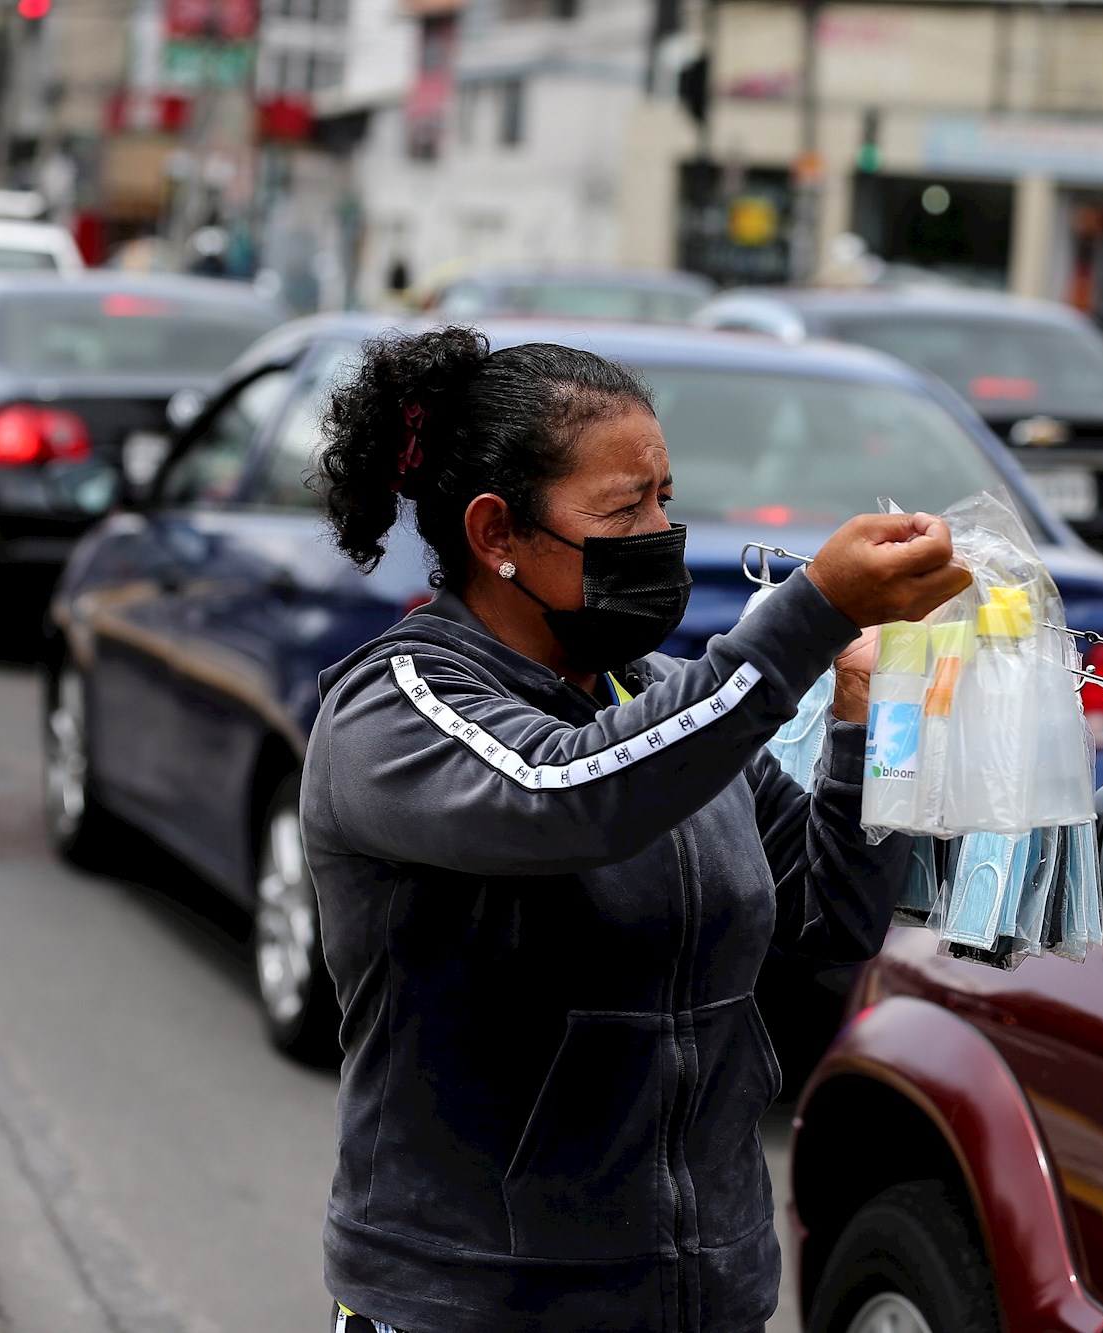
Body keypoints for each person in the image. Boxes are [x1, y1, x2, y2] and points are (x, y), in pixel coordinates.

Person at [302, 325, 970, 1333]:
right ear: (495, 536)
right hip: (474, 1306)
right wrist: (810, 609)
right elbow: (562, 795)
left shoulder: (661, 703)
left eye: (665, 497)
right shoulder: (394, 709)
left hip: (699, 1300)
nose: (662, 532)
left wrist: (860, 719)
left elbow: (828, 919)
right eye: (625, 509)